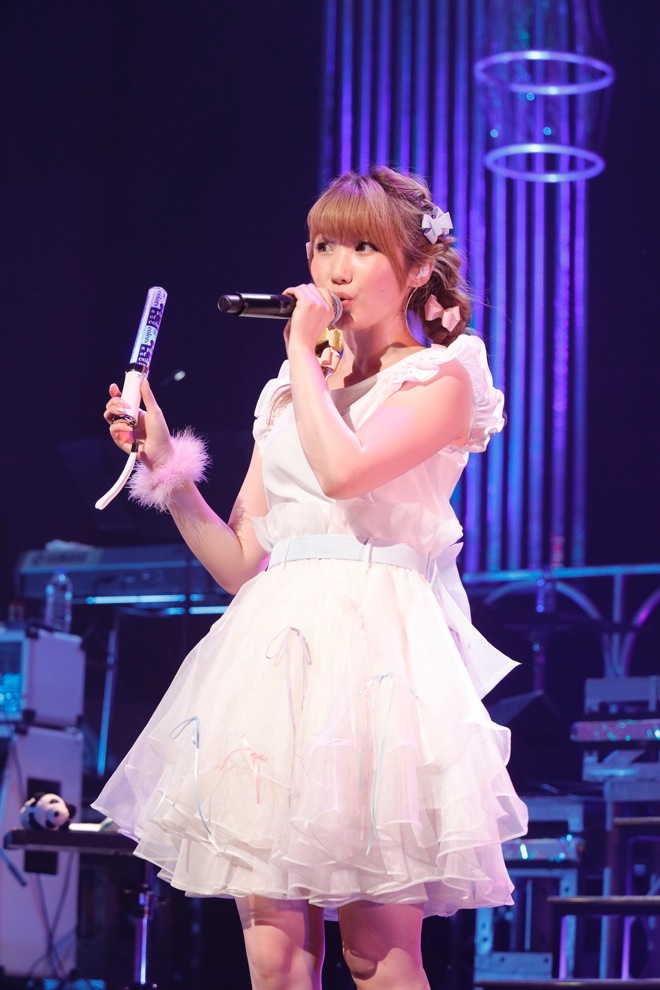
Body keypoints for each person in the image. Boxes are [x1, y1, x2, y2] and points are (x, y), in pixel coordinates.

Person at [94, 165, 528, 990]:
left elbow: (346, 473)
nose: (336, 268)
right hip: (273, 663)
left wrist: (302, 353)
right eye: (324, 246)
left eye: (363, 248)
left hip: (377, 662)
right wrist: (166, 465)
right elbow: (240, 563)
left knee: (377, 949)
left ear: (417, 269)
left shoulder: (442, 377)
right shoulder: (289, 396)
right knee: (275, 953)